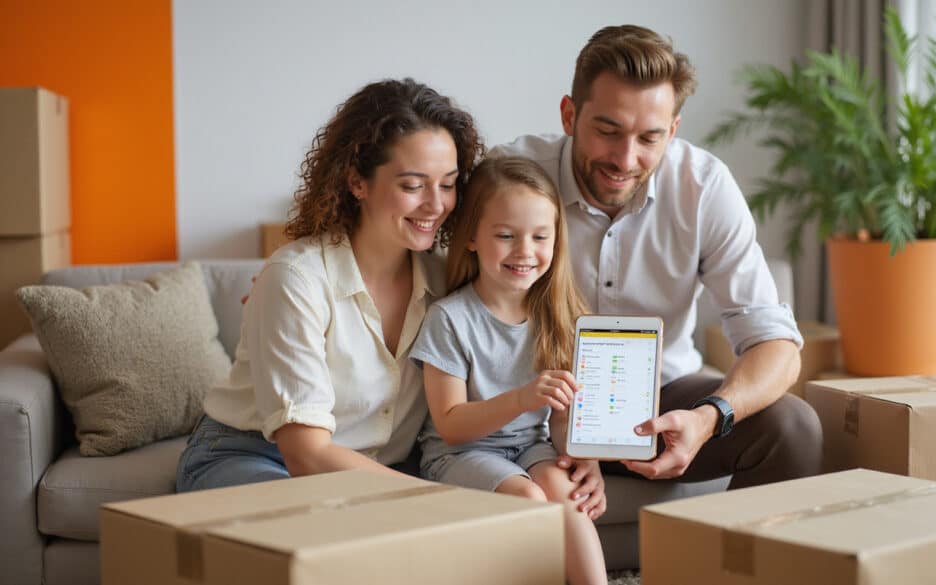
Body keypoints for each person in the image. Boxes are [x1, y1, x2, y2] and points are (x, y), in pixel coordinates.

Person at [491, 25, 823, 488]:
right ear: (569, 116)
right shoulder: (510, 178)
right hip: (529, 412)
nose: (625, 159)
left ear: (673, 129)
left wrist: (709, 418)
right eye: (608, 131)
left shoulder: (703, 186)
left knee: (793, 427)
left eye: (649, 138)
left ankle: (738, 561)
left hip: (659, 403)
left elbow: (777, 346)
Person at [176, 78, 485, 492]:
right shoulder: (297, 278)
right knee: (318, 535)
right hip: (256, 454)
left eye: (447, 184)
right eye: (413, 185)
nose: (436, 204)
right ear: (358, 182)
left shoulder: (447, 281)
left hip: (376, 467)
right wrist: (436, 499)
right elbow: (305, 453)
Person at [410, 157, 608, 585]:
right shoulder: (450, 318)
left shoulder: (558, 315)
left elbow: (559, 419)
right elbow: (450, 425)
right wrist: (522, 398)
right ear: (473, 238)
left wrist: (581, 459)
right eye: (505, 235)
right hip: (459, 455)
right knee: (529, 498)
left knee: (566, 495)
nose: (525, 251)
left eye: (540, 236)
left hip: (530, 447)